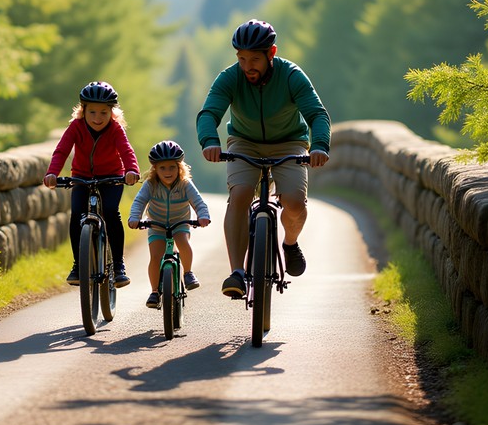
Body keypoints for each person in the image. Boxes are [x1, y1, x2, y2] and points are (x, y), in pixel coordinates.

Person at [196, 19, 330, 299]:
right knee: (241, 194)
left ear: (272, 53)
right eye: (242, 59)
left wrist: (318, 146)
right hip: (244, 143)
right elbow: (209, 113)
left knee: (294, 201)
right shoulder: (230, 78)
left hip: (289, 143)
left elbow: (316, 114)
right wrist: (210, 141)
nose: (247, 67)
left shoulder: (292, 75)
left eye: (254, 59)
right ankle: (237, 273)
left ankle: (290, 244)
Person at [44, 81, 140, 287]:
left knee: (111, 212)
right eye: (93, 112)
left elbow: (126, 151)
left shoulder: (115, 129)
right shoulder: (75, 127)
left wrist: (132, 170)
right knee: (77, 212)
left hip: (112, 177)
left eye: (104, 113)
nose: (98, 118)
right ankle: (78, 265)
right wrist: (52, 173)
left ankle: (118, 265)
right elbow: (61, 151)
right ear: (83, 110)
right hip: (81, 177)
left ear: (112, 113)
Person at [127, 140, 212, 308]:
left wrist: (203, 216)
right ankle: (154, 291)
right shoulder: (150, 185)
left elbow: (198, 202)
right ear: (155, 170)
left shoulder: (185, 184)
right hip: (156, 225)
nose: (168, 172)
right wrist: (134, 218)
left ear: (179, 168)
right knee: (156, 256)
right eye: (162, 168)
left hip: (180, 223)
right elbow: (139, 202)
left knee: (182, 242)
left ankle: (188, 273)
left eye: (172, 167)